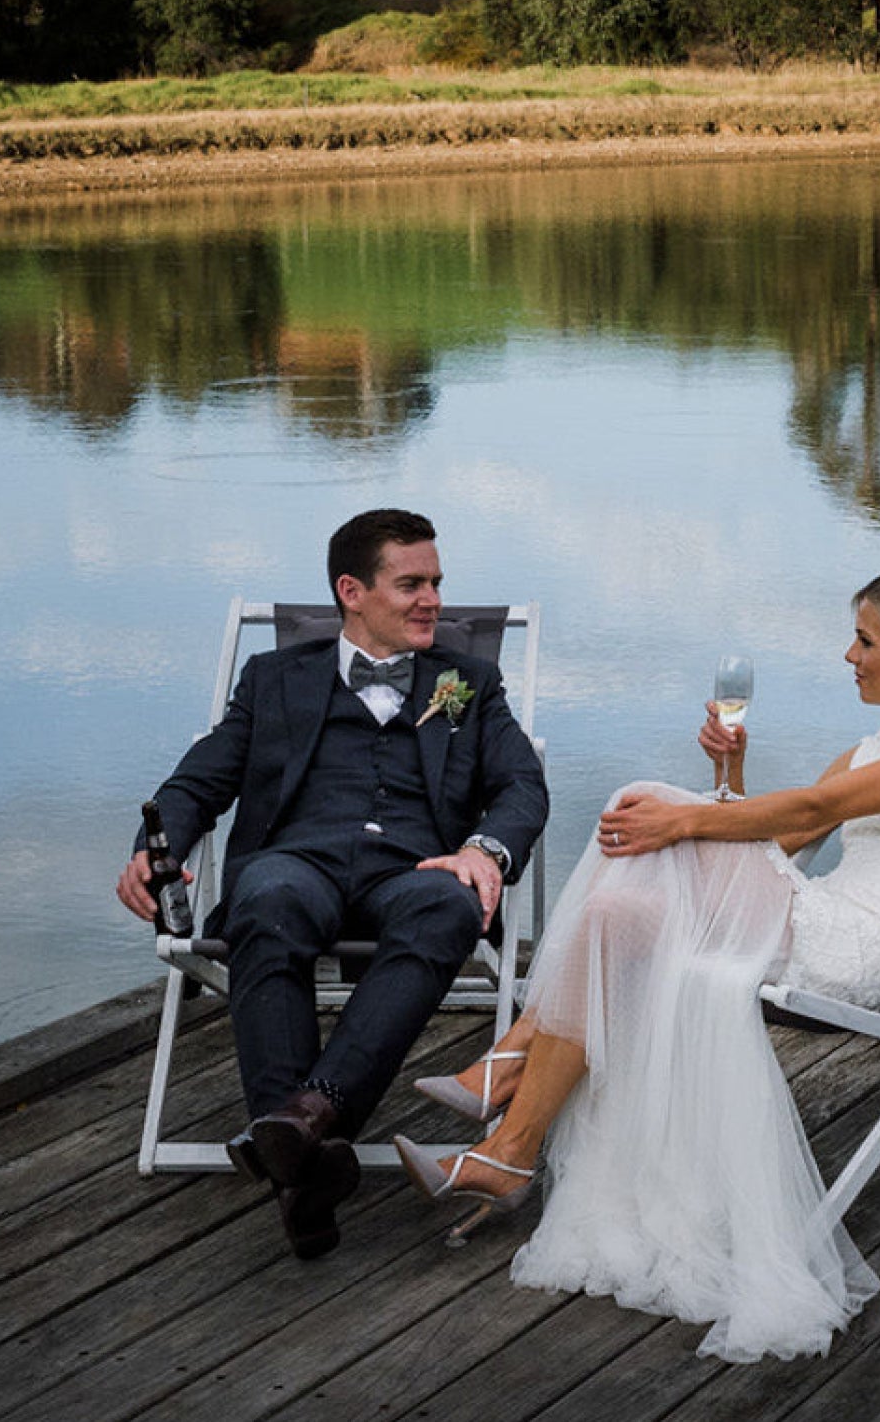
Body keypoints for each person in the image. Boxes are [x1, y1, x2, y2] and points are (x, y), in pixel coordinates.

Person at [393, 566, 880, 1363]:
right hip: (809, 912)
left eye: (865, 639)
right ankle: (508, 1148)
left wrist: (686, 813)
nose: (848, 654)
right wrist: (727, 782)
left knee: (642, 802)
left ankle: (511, 1062)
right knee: (624, 913)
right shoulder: (874, 746)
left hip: (865, 943)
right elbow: (782, 849)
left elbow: (817, 812)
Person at [118, 507, 549, 1260]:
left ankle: (303, 1126)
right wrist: (155, 850)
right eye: (410, 583)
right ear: (352, 590)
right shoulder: (276, 677)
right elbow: (200, 778)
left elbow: (523, 785)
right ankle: (310, 1149)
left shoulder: (468, 682)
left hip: (417, 868)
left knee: (449, 905)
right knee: (269, 901)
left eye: (437, 583)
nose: (432, 600)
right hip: (299, 859)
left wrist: (483, 849)